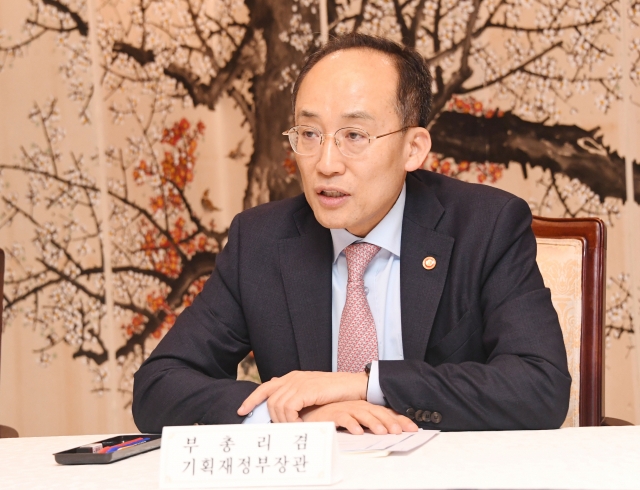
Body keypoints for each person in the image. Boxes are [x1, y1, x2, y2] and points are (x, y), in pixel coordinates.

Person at [132, 34, 570, 434]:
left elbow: (539, 387)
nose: (326, 163)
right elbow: (159, 387)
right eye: (309, 133)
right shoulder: (260, 241)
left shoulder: (486, 225)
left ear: (413, 148)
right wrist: (296, 414)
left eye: (354, 135)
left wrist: (363, 387)